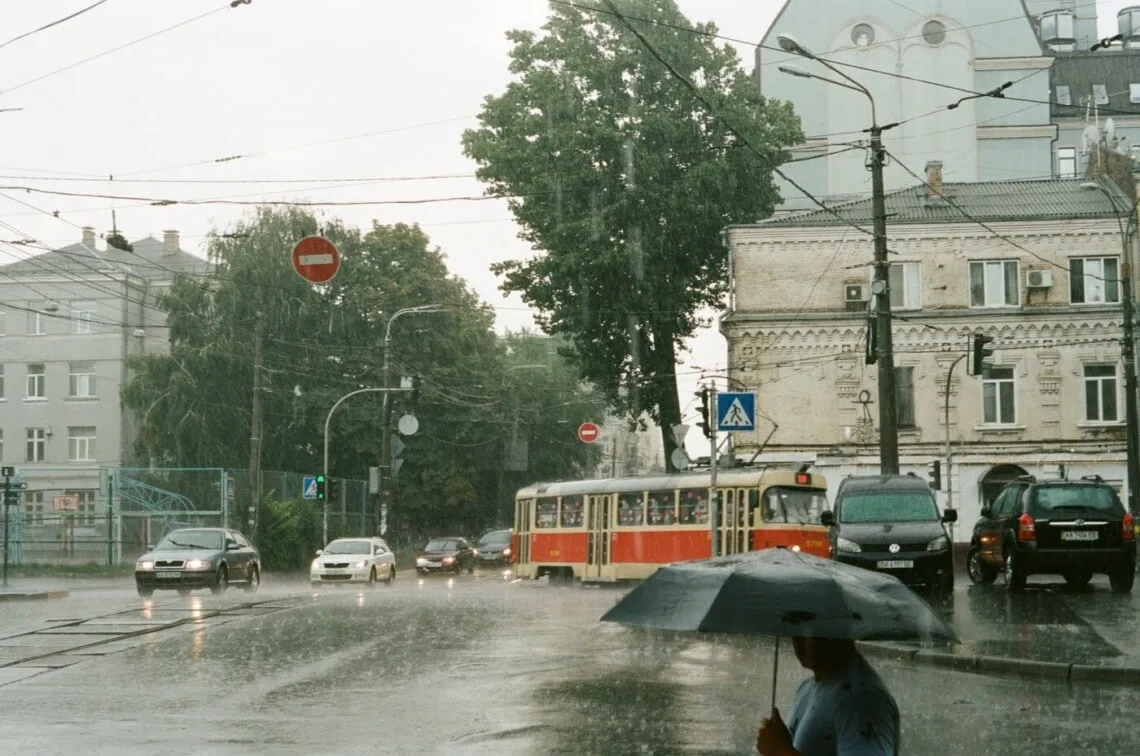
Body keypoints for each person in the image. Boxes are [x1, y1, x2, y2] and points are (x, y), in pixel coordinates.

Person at [756, 636, 899, 756]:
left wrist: (781, 752)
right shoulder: (807, 687)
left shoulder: (862, 701)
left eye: (810, 628)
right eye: (795, 627)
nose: (798, 641)